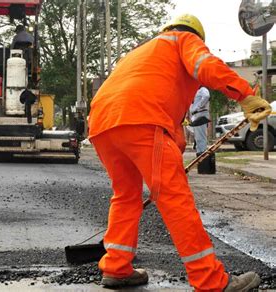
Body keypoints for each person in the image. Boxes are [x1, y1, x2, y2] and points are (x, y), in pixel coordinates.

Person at [88, 14, 271, 291]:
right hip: (142, 120)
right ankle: (210, 280)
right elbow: (206, 66)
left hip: (103, 123)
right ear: (196, 36)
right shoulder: (183, 40)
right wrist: (245, 95)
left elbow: (168, 124)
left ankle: (116, 266)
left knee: (126, 196)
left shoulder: (143, 53)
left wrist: (171, 156)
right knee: (175, 198)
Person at [190, 86, 211, 154]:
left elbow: (206, 96)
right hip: (196, 114)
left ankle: (202, 155)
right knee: (198, 138)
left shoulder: (202, 89)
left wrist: (199, 106)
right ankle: (200, 155)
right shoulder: (196, 91)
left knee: (200, 138)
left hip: (200, 114)